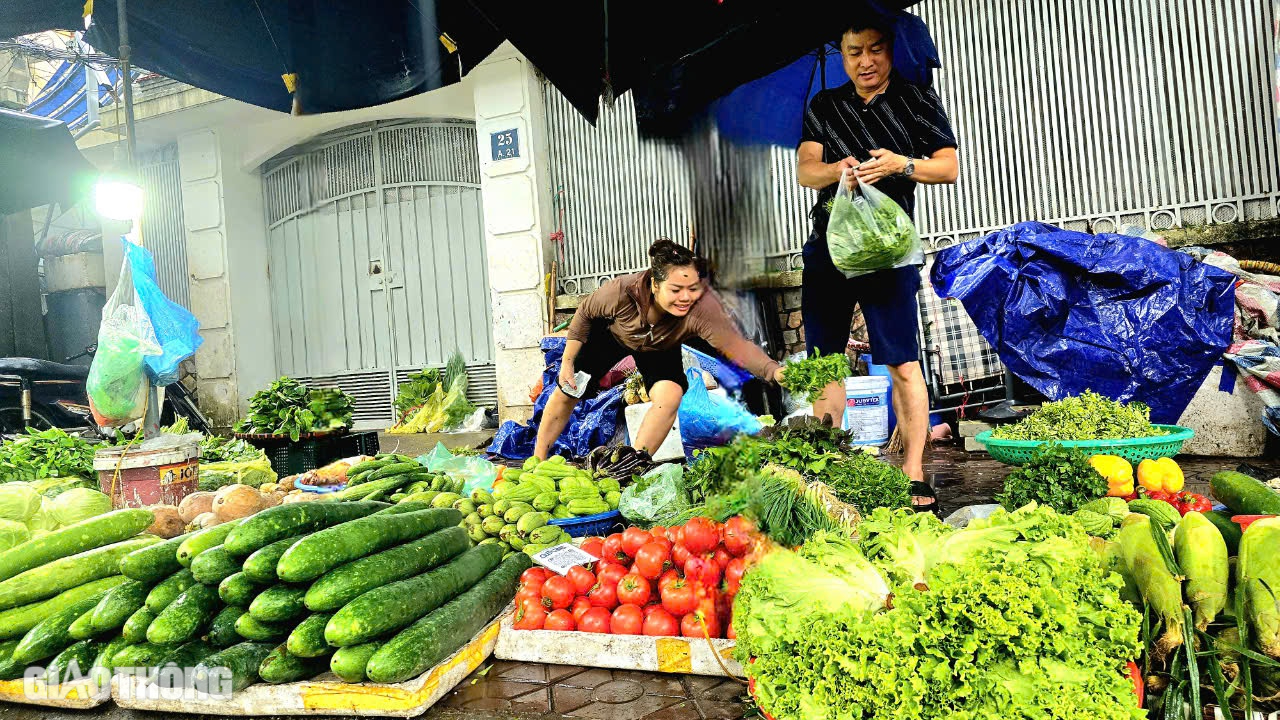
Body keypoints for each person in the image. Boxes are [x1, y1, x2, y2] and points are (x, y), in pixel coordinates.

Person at [796, 18, 959, 507]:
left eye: (874, 50)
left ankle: (912, 473)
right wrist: (836, 170)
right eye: (853, 52)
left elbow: (947, 166)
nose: (865, 61)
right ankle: (829, 472)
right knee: (823, 365)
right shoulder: (825, 105)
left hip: (888, 252)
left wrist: (900, 164)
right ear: (841, 55)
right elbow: (805, 170)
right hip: (830, 250)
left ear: (888, 51)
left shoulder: (916, 100)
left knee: (903, 364)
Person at [534, 240, 784, 460]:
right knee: (569, 388)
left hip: (661, 346)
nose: (685, 297)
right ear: (655, 285)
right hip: (612, 335)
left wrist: (773, 370)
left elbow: (737, 346)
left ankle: (630, 466)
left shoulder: (702, 311)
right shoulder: (621, 292)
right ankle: (538, 459)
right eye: (675, 290)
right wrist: (567, 362)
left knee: (670, 396)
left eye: (692, 288)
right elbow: (585, 313)